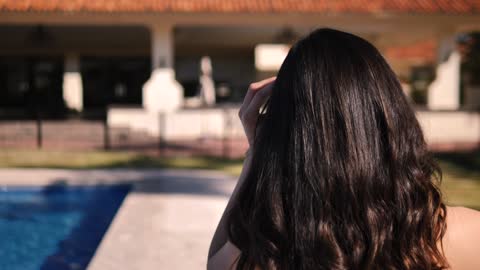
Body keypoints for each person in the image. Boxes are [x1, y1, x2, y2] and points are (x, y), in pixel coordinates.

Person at [207, 28, 480, 270]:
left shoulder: (270, 253)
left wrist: (256, 152)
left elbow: (214, 264)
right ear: (392, 116)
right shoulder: (463, 234)